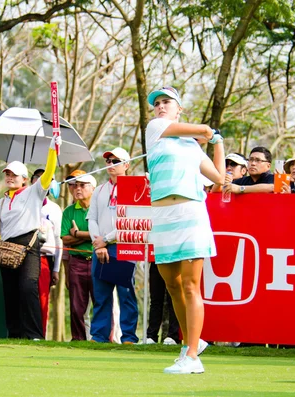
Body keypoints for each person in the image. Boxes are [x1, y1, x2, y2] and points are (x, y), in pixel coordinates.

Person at [145, 86, 224, 374]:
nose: (161, 106)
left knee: (190, 286)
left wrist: (217, 143)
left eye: (167, 102)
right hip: (163, 217)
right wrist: (207, 131)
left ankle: (192, 355)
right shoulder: (154, 129)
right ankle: (192, 342)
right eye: (158, 103)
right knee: (172, 285)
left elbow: (218, 179)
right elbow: (202, 128)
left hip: (191, 213)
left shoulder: (192, 146)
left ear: (179, 109)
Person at [0, 135, 61, 340]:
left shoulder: (34, 192)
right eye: (7, 174)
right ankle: (15, 334)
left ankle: (34, 334)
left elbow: (48, 174)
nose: (10, 177)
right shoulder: (2, 202)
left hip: (28, 244)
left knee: (28, 288)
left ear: (24, 179)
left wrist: (52, 150)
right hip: (6, 247)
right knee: (10, 292)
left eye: (14, 175)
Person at [87, 147, 139, 345]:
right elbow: (91, 218)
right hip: (100, 247)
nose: (110, 165)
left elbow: (132, 220)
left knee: (126, 293)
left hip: (125, 246)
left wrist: (106, 239)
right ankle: (99, 335)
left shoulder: (135, 188)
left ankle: (129, 337)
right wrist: (98, 243)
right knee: (101, 293)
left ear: (126, 165)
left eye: (115, 161)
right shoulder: (99, 190)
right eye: (108, 161)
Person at [61, 174, 97, 341]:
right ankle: (79, 339)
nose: (78, 189)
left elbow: (103, 234)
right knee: (77, 307)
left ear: (93, 189)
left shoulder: (99, 208)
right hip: (77, 262)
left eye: (83, 185)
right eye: (76, 185)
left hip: (98, 260)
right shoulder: (69, 211)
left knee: (101, 303)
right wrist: (89, 236)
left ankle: (101, 338)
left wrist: (77, 233)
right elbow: (65, 239)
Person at [30, 168, 63, 336]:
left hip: (45, 257)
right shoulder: (24, 203)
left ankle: (40, 334)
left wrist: (56, 268)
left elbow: (59, 239)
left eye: (46, 180)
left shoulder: (54, 209)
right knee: (25, 296)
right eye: (37, 179)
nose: (41, 183)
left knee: (43, 298)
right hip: (25, 255)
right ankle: (24, 332)